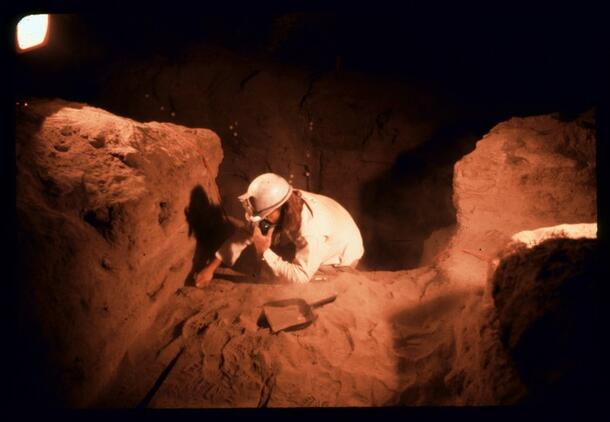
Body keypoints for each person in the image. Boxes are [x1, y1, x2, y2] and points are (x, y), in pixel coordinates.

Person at [195, 173, 364, 286]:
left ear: (282, 208)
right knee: (274, 266)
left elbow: (300, 278)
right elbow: (246, 233)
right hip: (335, 228)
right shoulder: (284, 201)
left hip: (343, 256)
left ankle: (337, 273)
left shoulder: (309, 231)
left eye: (265, 216)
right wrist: (211, 268)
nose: (263, 220)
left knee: (288, 283)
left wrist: (264, 252)